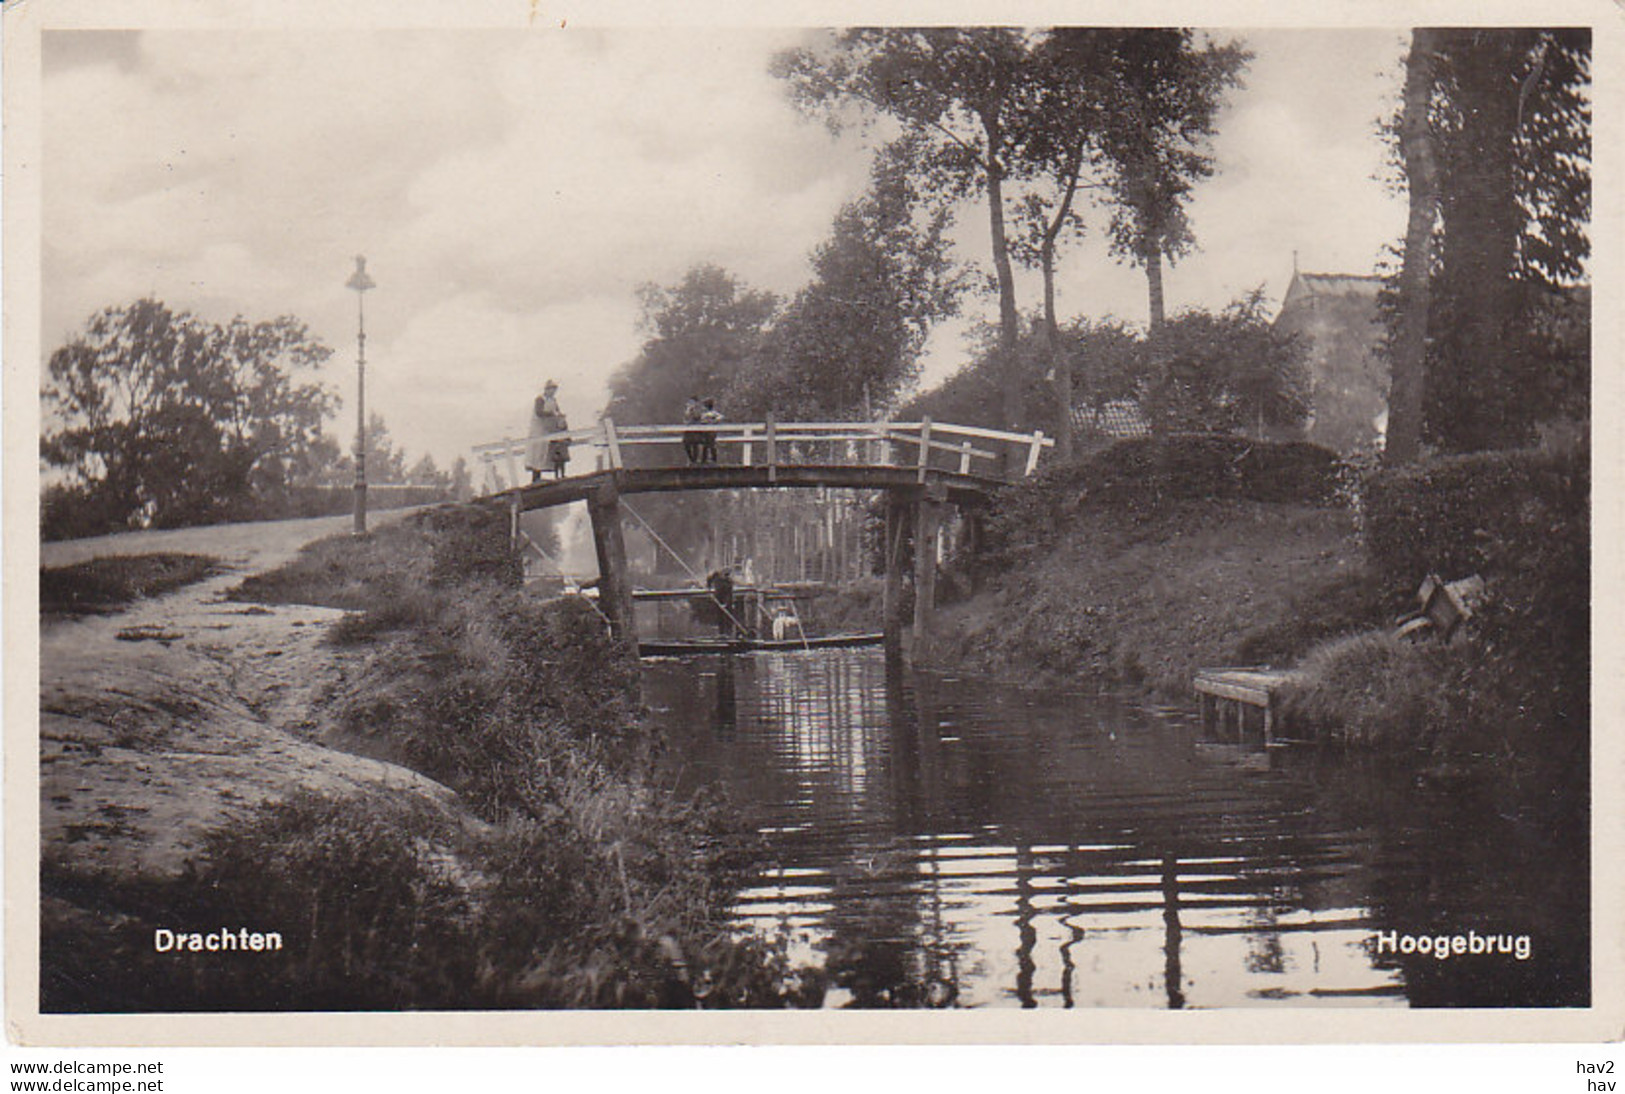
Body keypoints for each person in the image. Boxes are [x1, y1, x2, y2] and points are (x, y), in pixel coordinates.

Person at [525, 380, 561, 484]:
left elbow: (558, 411)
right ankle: (535, 478)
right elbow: (539, 412)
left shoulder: (553, 400)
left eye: (554, 390)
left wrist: (559, 417)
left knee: (546, 452)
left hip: (548, 428)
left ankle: (555, 475)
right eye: (551, 389)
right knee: (537, 452)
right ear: (546, 390)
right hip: (538, 428)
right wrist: (551, 414)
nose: (552, 392)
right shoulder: (540, 399)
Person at [682, 395, 704, 465]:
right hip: (688, 430)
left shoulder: (699, 409)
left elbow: (698, 417)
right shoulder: (687, 409)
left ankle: (694, 461)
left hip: (696, 429)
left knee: (695, 444)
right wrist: (689, 410)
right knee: (686, 444)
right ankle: (691, 459)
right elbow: (685, 418)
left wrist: (693, 410)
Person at [700, 397, 723, 464]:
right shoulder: (704, 414)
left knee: (711, 444)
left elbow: (720, 417)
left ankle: (713, 459)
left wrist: (713, 421)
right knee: (706, 445)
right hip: (705, 431)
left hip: (711, 431)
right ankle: (704, 459)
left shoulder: (713, 413)